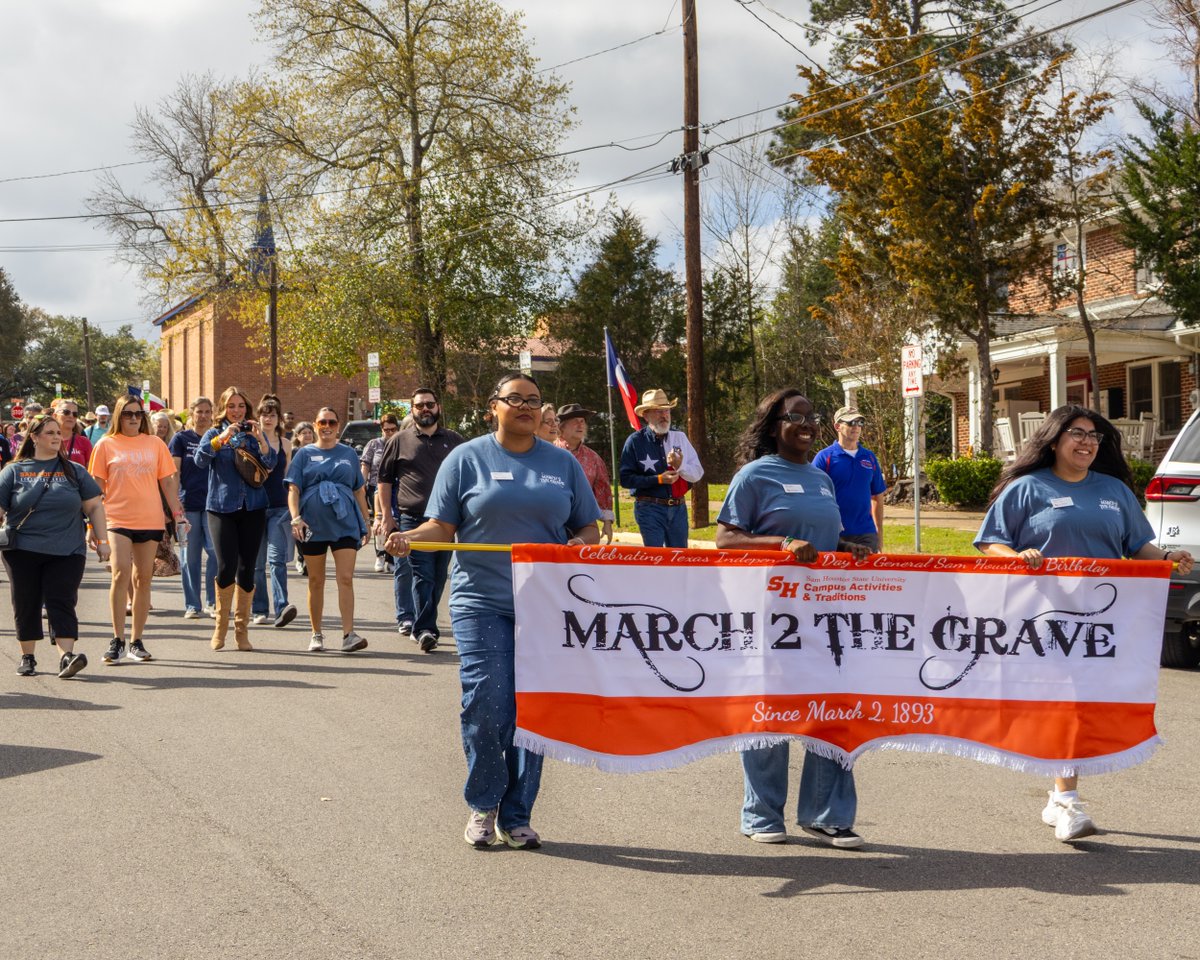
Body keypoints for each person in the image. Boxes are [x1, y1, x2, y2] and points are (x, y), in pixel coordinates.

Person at [384, 373, 601, 850]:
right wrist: (408, 538)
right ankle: (484, 802)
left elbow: (589, 527)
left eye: (534, 400)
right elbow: (440, 527)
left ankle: (517, 814)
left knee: (533, 710)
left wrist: (578, 544)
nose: (525, 407)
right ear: (493, 407)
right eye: (515, 399)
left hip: (545, 606)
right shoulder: (466, 459)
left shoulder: (562, 463)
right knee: (488, 702)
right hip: (480, 601)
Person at [975, 403, 1195, 842]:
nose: (1087, 442)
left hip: (1104, 620)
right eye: (1077, 433)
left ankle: (1058, 794)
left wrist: (1168, 558)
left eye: (1094, 436)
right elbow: (989, 542)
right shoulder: (1026, 488)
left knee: (1082, 704)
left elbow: (1138, 546)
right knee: (1067, 701)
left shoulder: (1113, 491)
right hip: (1045, 616)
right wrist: (1017, 556)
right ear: (1054, 440)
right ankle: (1068, 800)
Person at [716, 388, 872, 848]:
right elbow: (727, 539)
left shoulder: (821, 478)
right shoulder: (754, 475)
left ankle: (827, 815)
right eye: (795, 416)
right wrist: (781, 544)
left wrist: (845, 547)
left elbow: (820, 537)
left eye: (812, 416)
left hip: (826, 615)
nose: (807, 424)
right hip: (772, 613)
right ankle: (762, 814)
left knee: (832, 709)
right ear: (773, 426)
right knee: (771, 710)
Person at [0, 415, 110, 678]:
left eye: (58, 433)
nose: (56, 437)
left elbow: (94, 506)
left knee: (62, 600)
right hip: (22, 550)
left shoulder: (74, 470)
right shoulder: (14, 471)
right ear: (34, 437)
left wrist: (103, 541)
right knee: (26, 602)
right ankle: (28, 657)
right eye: (49, 432)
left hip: (67, 550)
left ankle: (66, 657)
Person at [89, 393, 188, 664]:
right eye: (127, 413)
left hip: (150, 519)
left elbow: (168, 483)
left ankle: (136, 641)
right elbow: (96, 489)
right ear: (118, 416)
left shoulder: (155, 444)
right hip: (116, 518)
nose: (133, 418)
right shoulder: (106, 444)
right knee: (120, 573)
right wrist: (91, 524)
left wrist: (178, 515)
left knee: (143, 579)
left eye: (138, 413)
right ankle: (117, 640)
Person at [375, 387, 464, 652]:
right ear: (412, 410)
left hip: (446, 520)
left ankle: (424, 622)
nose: (425, 408)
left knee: (438, 576)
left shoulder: (454, 440)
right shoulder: (399, 440)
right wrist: (386, 516)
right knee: (422, 574)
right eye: (419, 405)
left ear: (438, 407)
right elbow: (384, 481)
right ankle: (425, 628)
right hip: (412, 520)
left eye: (430, 404)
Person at [195, 387, 277, 652]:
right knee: (225, 566)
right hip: (221, 507)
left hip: (253, 507)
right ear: (223, 408)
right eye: (231, 406)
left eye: (241, 406)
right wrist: (222, 439)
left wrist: (261, 440)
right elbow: (200, 460)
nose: (237, 411)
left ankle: (241, 630)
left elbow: (271, 464)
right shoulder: (213, 433)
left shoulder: (254, 433)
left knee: (247, 567)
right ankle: (220, 626)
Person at [286, 406, 370, 654]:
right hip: (312, 525)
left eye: (332, 422)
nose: (327, 427)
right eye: (322, 422)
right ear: (315, 425)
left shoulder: (349, 454)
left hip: (345, 524)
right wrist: (295, 518)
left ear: (338, 425)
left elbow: (359, 489)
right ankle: (316, 633)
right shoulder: (304, 454)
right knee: (316, 580)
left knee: (345, 578)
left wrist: (366, 521)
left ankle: (348, 635)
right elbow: (293, 489)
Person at [619, 387, 704, 548]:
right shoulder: (635, 441)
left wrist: (681, 466)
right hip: (649, 508)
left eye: (666, 410)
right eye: (658, 411)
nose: (664, 415)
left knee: (679, 557)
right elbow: (626, 479)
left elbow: (697, 473)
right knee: (656, 558)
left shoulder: (679, 437)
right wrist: (658, 479)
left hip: (678, 508)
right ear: (646, 415)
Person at [812, 406, 888, 552]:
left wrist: (879, 532)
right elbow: (812, 496)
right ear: (837, 426)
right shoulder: (824, 457)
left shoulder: (869, 457)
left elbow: (877, 496)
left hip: (866, 533)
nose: (856, 427)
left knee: (867, 568)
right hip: (834, 533)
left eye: (860, 422)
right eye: (851, 422)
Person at [169, 397, 219, 619]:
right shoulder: (181, 439)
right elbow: (174, 473)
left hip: (213, 505)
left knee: (216, 553)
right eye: (199, 411)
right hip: (187, 505)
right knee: (189, 557)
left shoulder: (218, 437)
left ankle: (212, 601)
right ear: (191, 414)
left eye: (207, 411)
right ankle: (192, 604)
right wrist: (175, 501)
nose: (203, 416)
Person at [251, 395, 297, 628]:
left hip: (279, 507)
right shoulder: (251, 441)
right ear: (258, 417)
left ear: (279, 418)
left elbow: (288, 478)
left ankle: (281, 607)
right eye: (264, 415)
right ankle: (259, 608)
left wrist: (294, 508)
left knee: (276, 560)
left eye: (272, 415)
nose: (268, 419)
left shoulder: (286, 444)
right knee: (257, 564)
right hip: (255, 506)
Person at [555, 403, 614, 544]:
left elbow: (603, 490)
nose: (580, 425)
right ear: (561, 427)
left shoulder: (593, 458)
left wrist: (607, 522)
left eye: (582, 421)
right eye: (575, 421)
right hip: (553, 520)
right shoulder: (549, 451)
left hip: (583, 524)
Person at [360, 412, 399, 573]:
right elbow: (365, 465)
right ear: (381, 430)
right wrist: (361, 484)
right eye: (386, 430)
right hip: (374, 488)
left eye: (392, 429)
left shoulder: (400, 443)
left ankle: (391, 557)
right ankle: (380, 554)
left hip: (396, 488)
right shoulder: (374, 444)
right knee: (380, 519)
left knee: (393, 520)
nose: (389, 433)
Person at [52, 398, 93, 469]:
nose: (71, 416)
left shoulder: (84, 442)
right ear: (55, 416)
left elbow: (90, 471)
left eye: (75, 414)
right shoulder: (47, 440)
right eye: (66, 412)